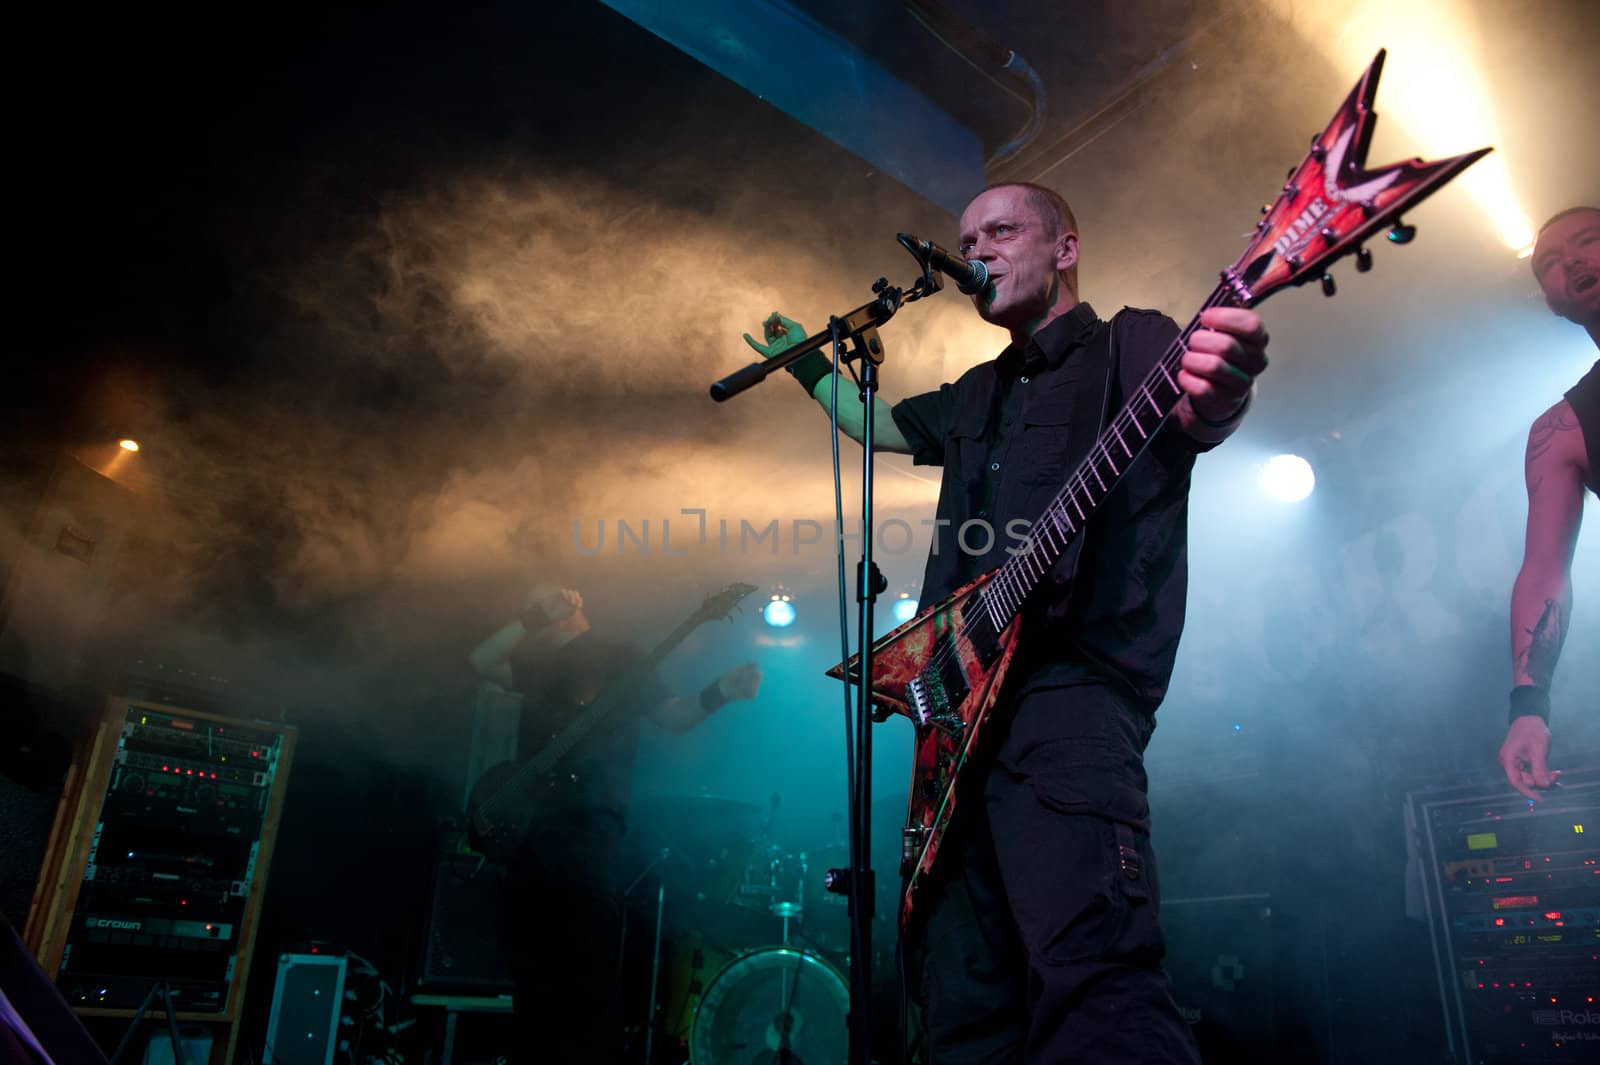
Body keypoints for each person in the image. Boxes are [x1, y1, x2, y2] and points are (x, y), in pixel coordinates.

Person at [742, 181, 1269, 1063]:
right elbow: (867, 421)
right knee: (962, 1006)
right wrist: (807, 365)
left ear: (1064, 248)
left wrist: (1226, 386)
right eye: (967, 237)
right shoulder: (979, 391)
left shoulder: (1126, 342)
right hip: (955, 724)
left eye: (1001, 230)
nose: (976, 249)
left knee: (1094, 982)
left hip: (1069, 700)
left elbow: (1197, 409)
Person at [467, 583, 761, 1063]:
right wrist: (530, 617)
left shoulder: (620, 655)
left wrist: (720, 692)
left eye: (563, 589)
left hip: (591, 833)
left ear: (583, 600)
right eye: (548, 591)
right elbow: (480, 661)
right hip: (532, 837)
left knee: (587, 976)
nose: (558, 595)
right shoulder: (539, 664)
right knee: (531, 976)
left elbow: (674, 715)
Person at [1498, 205, 1599, 802]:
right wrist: (1528, 706)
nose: (1572, 262)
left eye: (1588, 242)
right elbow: (1544, 570)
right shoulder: (1564, 430)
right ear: (1552, 302)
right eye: (1550, 265)